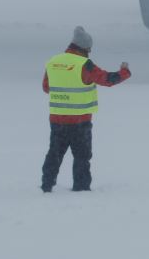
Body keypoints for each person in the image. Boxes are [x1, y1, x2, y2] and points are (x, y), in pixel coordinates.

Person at [40, 26, 131, 192]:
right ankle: (81, 189)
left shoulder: (53, 62)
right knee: (82, 157)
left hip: (57, 120)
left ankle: (46, 185)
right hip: (80, 121)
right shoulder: (84, 64)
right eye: (89, 49)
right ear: (84, 48)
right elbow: (107, 79)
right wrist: (124, 72)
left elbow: (46, 88)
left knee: (54, 154)